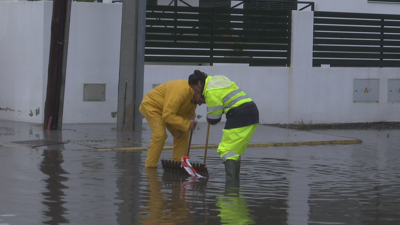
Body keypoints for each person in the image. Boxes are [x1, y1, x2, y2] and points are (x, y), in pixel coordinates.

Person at [188, 70, 259, 181]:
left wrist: (209, 117)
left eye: (196, 89)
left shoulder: (210, 92)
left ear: (200, 83)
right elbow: (225, 98)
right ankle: (235, 183)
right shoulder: (217, 79)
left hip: (239, 114)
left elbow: (214, 119)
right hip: (251, 111)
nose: (196, 92)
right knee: (235, 151)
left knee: (226, 150)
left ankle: (231, 185)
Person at [139, 80, 205, 168]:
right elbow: (167, 115)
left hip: (167, 110)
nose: (200, 104)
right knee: (160, 135)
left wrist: (182, 126)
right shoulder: (181, 91)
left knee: (182, 133)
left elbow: (186, 116)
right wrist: (185, 124)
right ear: (197, 92)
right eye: (201, 100)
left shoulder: (193, 101)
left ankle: (177, 164)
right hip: (152, 106)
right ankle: (150, 167)